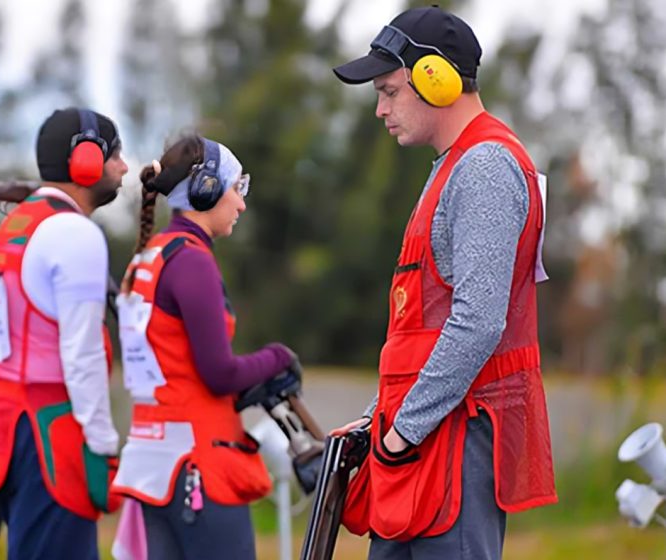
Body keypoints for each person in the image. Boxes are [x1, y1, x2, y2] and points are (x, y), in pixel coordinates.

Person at [330, 6, 557, 560]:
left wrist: (399, 432)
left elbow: (478, 321)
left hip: (452, 441)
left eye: (389, 91)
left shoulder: (482, 168)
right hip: (424, 435)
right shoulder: (454, 165)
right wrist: (376, 416)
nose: (380, 108)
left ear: (438, 79)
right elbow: (423, 325)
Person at [109, 135, 299, 560]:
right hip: (197, 460)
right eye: (237, 188)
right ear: (206, 188)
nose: (241, 204)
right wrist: (278, 358)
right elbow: (219, 374)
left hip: (152, 461)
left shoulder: (150, 254)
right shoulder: (192, 260)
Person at [0, 107, 129, 559]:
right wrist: (103, 444)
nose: (124, 167)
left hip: (3, 427)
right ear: (86, 160)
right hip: (51, 432)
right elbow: (83, 352)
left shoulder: (13, 226)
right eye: (115, 154)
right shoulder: (74, 233)